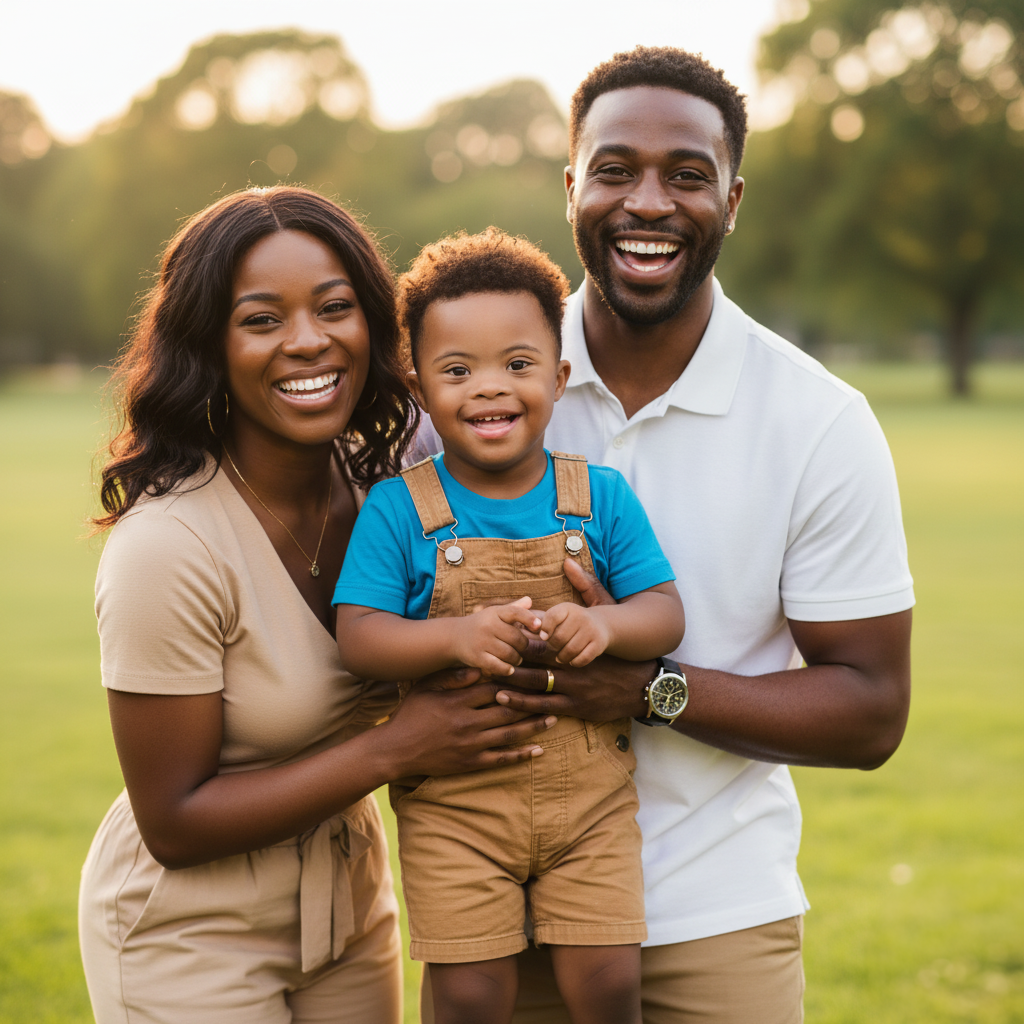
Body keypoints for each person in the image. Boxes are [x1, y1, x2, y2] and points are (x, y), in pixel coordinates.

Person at [417, 47, 915, 1023]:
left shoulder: (818, 420)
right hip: (497, 919)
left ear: (732, 199)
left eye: (686, 175)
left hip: (720, 919)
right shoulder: (461, 396)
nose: (649, 201)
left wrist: (649, 689)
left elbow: (870, 711)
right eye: (615, 170)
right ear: (571, 189)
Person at [79, 187, 557, 1024]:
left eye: (335, 308)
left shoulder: (386, 497)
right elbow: (173, 822)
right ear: (210, 346)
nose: (308, 340)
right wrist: (396, 748)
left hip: (348, 905)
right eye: (261, 319)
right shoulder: (168, 546)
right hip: (189, 931)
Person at [333, 228, 686, 1024]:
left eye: (518, 365)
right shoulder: (401, 507)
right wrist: (454, 637)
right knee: (467, 993)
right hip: (457, 811)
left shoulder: (600, 496)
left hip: (588, 810)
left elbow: (664, 613)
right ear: (420, 385)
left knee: (607, 985)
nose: (489, 389)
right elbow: (359, 637)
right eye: (457, 371)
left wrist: (609, 630)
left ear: (559, 379)